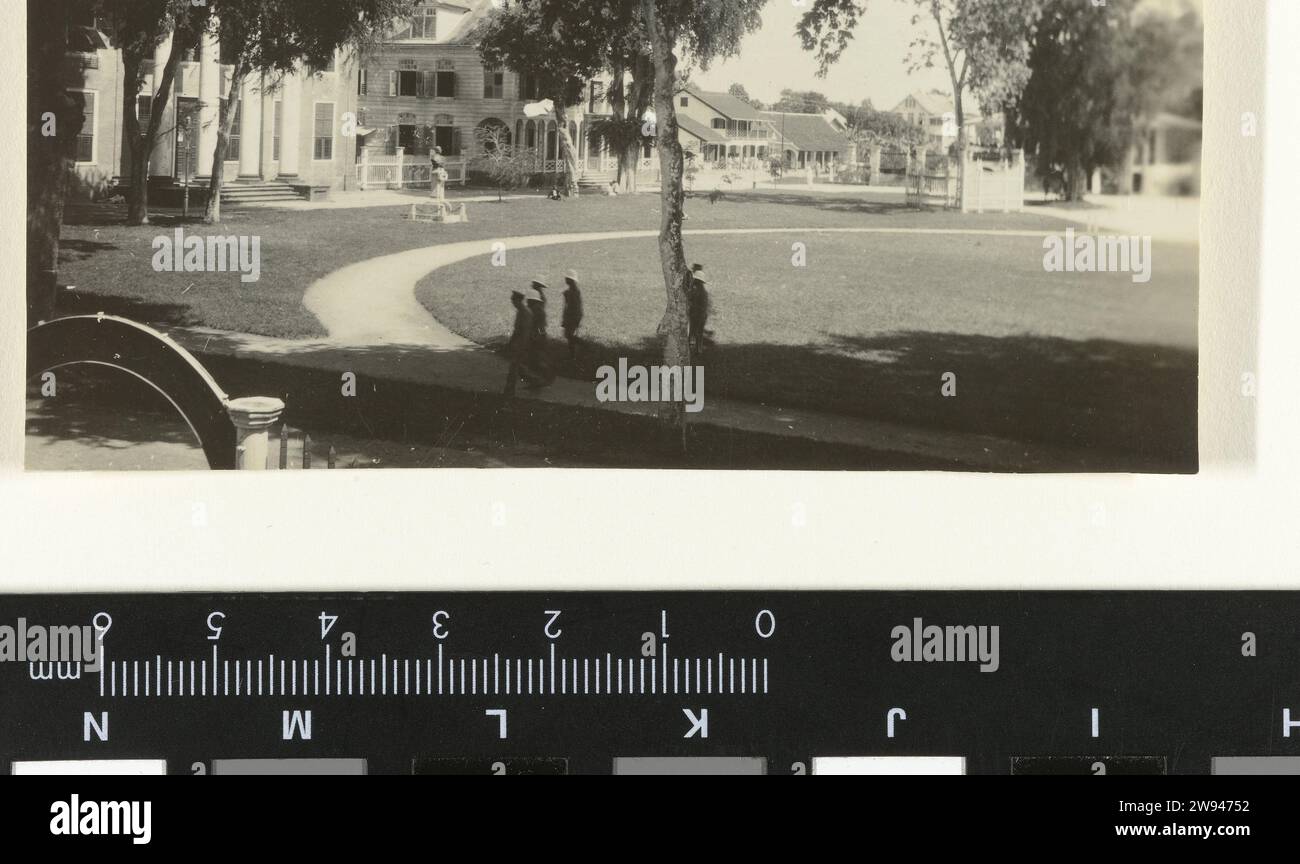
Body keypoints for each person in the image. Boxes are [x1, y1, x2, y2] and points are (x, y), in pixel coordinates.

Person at [503, 288, 534, 396]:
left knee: (514, 367)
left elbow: (524, 332)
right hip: (519, 343)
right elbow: (516, 331)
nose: (513, 304)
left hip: (522, 344)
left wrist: (521, 346)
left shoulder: (525, 313)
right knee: (518, 367)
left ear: (518, 301)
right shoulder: (521, 311)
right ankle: (535, 381)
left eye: (514, 301)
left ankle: (509, 391)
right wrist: (511, 343)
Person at [526, 280, 555, 387]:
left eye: (529, 300)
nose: (527, 302)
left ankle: (544, 378)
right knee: (535, 358)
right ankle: (540, 378)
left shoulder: (536, 310)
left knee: (536, 358)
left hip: (537, 337)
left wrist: (535, 336)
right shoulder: (535, 308)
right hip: (538, 336)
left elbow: (538, 326)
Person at [561, 269, 584, 369]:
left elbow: (574, 307)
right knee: (569, 336)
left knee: (570, 336)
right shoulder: (571, 291)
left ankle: (583, 347)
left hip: (572, 317)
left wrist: (575, 320)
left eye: (567, 278)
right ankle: (572, 356)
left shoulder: (573, 292)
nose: (565, 279)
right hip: (571, 317)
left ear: (570, 280)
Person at [688, 266, 711, 357]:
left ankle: (691, 349)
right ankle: (699, 349)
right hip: (702, 315)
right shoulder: (704, 291)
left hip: (696, 314)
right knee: (699, 332)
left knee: (693, 331)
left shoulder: (696, 290)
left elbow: (691, 301)